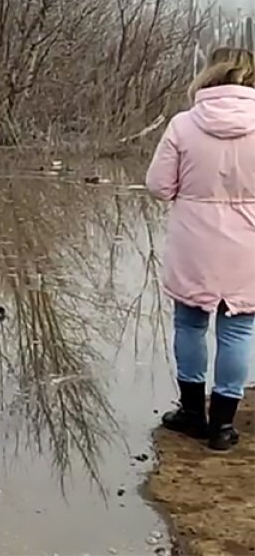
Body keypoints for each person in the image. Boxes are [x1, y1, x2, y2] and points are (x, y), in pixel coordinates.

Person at [146, 47, 255, 451]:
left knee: (189, 324)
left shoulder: (183, 125)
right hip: (249, 244)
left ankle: (192, 413)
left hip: (194, 240)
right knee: (239, 330)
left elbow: (159, 186)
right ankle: (223, 427)